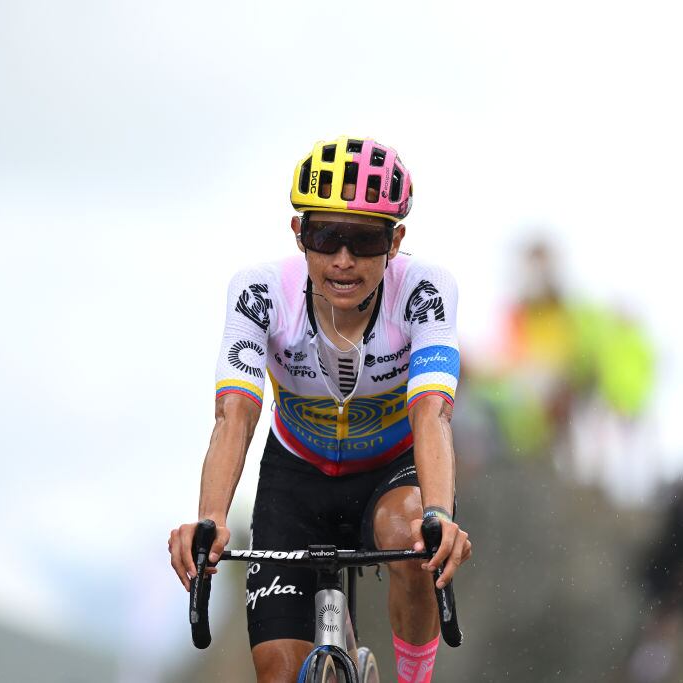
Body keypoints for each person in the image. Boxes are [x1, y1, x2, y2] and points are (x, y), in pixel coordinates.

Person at [169, 136, 471, 682]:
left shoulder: (424, 291)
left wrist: (439, 515)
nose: (343, 260)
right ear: (298, 234)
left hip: (390, 471)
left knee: (413, 536)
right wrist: (211, 518)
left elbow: (432, 411)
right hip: (296, 478)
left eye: (365, 240)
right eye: (325, 236)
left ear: (395, 241)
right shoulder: (260, 293)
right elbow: (235, 414)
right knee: (279, 673)